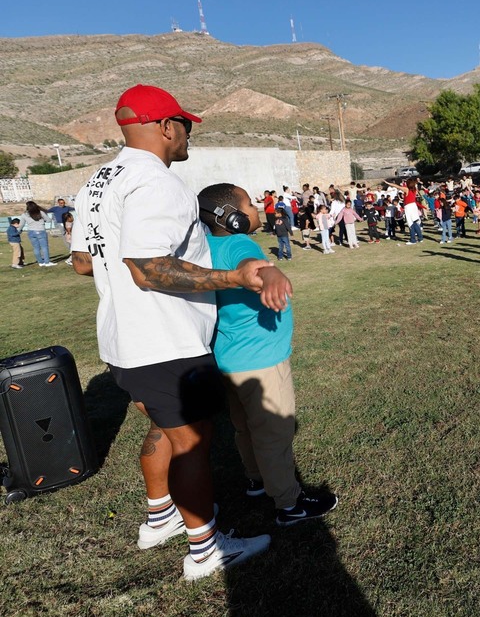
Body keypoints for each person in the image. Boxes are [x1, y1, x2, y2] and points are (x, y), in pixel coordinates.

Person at [71, 84, 285, 580]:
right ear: (167, 126)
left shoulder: (97, 181)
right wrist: (233, 277)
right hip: (164, 338)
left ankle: (159, 518)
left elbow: (83, 263)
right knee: (192, 440)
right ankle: (206, 551)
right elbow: (148, 268)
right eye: (184, 124)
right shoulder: (158, 182)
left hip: (122, 340)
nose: (187, 135)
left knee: (166, 429)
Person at [197, 183, 338, 527]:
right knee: (274, 434)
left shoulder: (206, 246)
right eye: (248, 203)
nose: (256, 207)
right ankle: (289, 504)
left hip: (229, 359)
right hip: (260, 362)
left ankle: (256, 480)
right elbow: (252, 265)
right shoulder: (239, 242)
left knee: (246, 429)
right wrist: (271, 271)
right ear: (230, 217)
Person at [18, 201, 54, 267]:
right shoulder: (40, 212)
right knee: (44, 247)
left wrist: (18, 231)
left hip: (31, 231)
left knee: (36, 248)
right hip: (41, 230)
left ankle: (40, 262)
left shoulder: (24, 215)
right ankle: (47, 262)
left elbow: (21, 225)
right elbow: (48, 220)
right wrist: (44, 220)